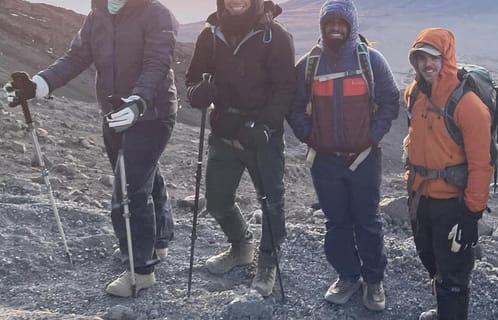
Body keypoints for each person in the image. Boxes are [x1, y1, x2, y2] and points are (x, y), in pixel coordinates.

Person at [4, 0, 178, 297]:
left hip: (152, 113)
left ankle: (141, 270)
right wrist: (39, 84)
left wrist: (139, 101)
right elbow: (76, 57)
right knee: (142, 175)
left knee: (128, 190)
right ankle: (159, 241)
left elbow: (157, 65)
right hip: (113, 112)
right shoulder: (98, 14)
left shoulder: (157, 14)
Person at [286, 0, 398, 310]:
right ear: (322, 25)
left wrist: (371, 136)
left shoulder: (371, 61)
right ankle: (348, 275)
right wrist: (309, 135)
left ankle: (374, 281)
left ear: (351, 26)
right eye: (330, 23)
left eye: (341, 23)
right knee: (336, 223)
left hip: (364, 158)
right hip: (324, 161)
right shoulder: (308, 65)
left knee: (368, 222)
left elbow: (390, 101)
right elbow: (293, 106)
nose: (336, 28)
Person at [184, 0, 295, 297]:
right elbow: (193, 78)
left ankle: (268, 262)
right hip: (223, 133)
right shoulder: (210, 34)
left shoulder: (276, 35)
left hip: (261, 137)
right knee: (217, 201)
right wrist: (197, 93)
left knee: (271, 202)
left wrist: (265, 126)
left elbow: (286, 87)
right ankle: (241, 246)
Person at [403, 27, 491, 320]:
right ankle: (445, 311)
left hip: (452, 204)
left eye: (434, 57)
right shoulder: (414, 94)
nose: (427, 64)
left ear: (447, 59)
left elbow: (481, 164)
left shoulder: (468, 105)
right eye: (421, 57)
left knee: (454, 274)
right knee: (430, 259)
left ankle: (451, 312)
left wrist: (471, 215)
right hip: (420, 197)